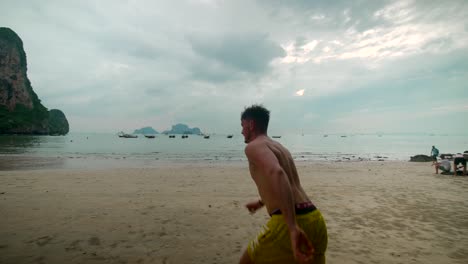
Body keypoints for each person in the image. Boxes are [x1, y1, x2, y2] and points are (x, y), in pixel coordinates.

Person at [239, 105, 328, 264]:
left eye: (242, 125)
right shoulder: (280, 148)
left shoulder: (253, 147)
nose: (241, 131)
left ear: (251, 124)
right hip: (314, 218)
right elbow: (288, 183)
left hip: (289, 222)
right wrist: (261, 202)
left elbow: (277, 174)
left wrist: (292, 227)